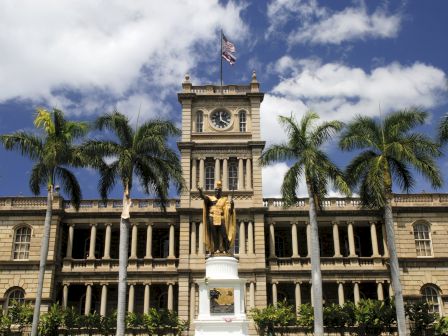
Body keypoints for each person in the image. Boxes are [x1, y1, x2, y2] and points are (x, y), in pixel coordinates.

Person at [198, 180, 236, 254]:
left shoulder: (224, 200)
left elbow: (230, 211)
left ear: (221, 191)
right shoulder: (210, 198)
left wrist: (232, 205)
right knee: (214, 234)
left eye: (218, 190)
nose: (217, 191)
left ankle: (226, 248)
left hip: (221, 217)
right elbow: (203, 197)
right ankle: (216, 249)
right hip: (212, 217)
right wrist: (200, 192)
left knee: (224, 234)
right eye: (216, 190)